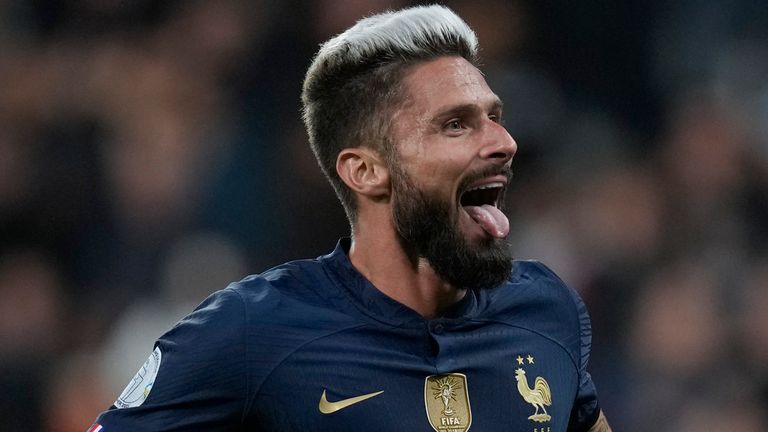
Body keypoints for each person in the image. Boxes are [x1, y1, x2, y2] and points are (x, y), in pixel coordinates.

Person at [89, 5, 611, 431]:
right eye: (456, 125)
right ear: (365, 171)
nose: (503, 143)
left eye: (494, 118)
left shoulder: (546, 311)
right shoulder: (255, 331)